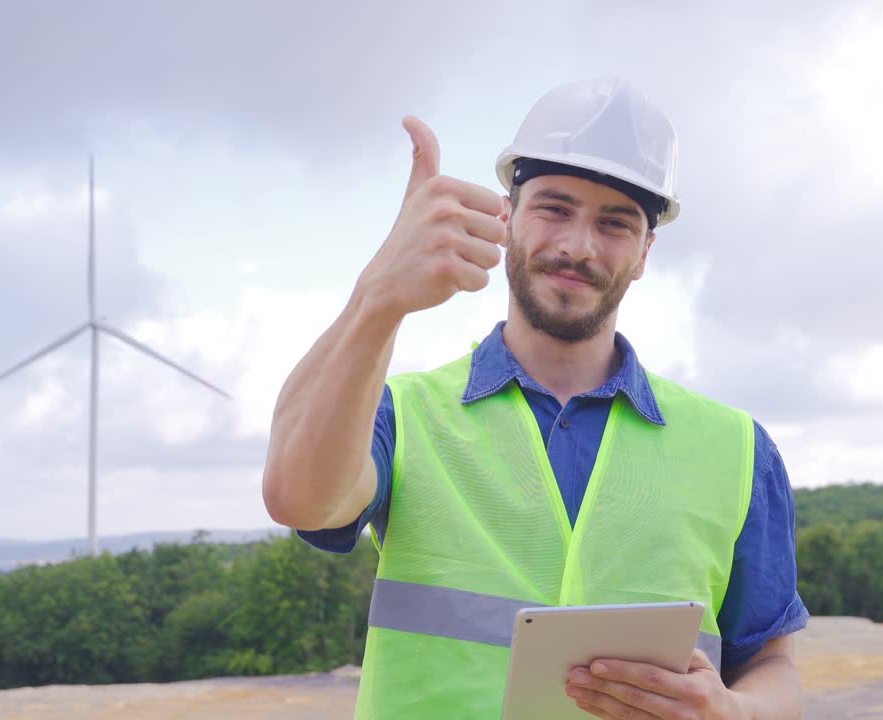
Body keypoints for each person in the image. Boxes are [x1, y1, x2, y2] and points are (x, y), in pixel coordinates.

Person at [262, 77, 809, 719]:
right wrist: (378, 297)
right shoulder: (401, 414)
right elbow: (297, 496)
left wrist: (736, 712)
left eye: (615, 223)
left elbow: (772, 665)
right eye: (555, 207)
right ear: (507, 216)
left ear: (644, 252)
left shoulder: (738, 449)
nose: (578, 246)